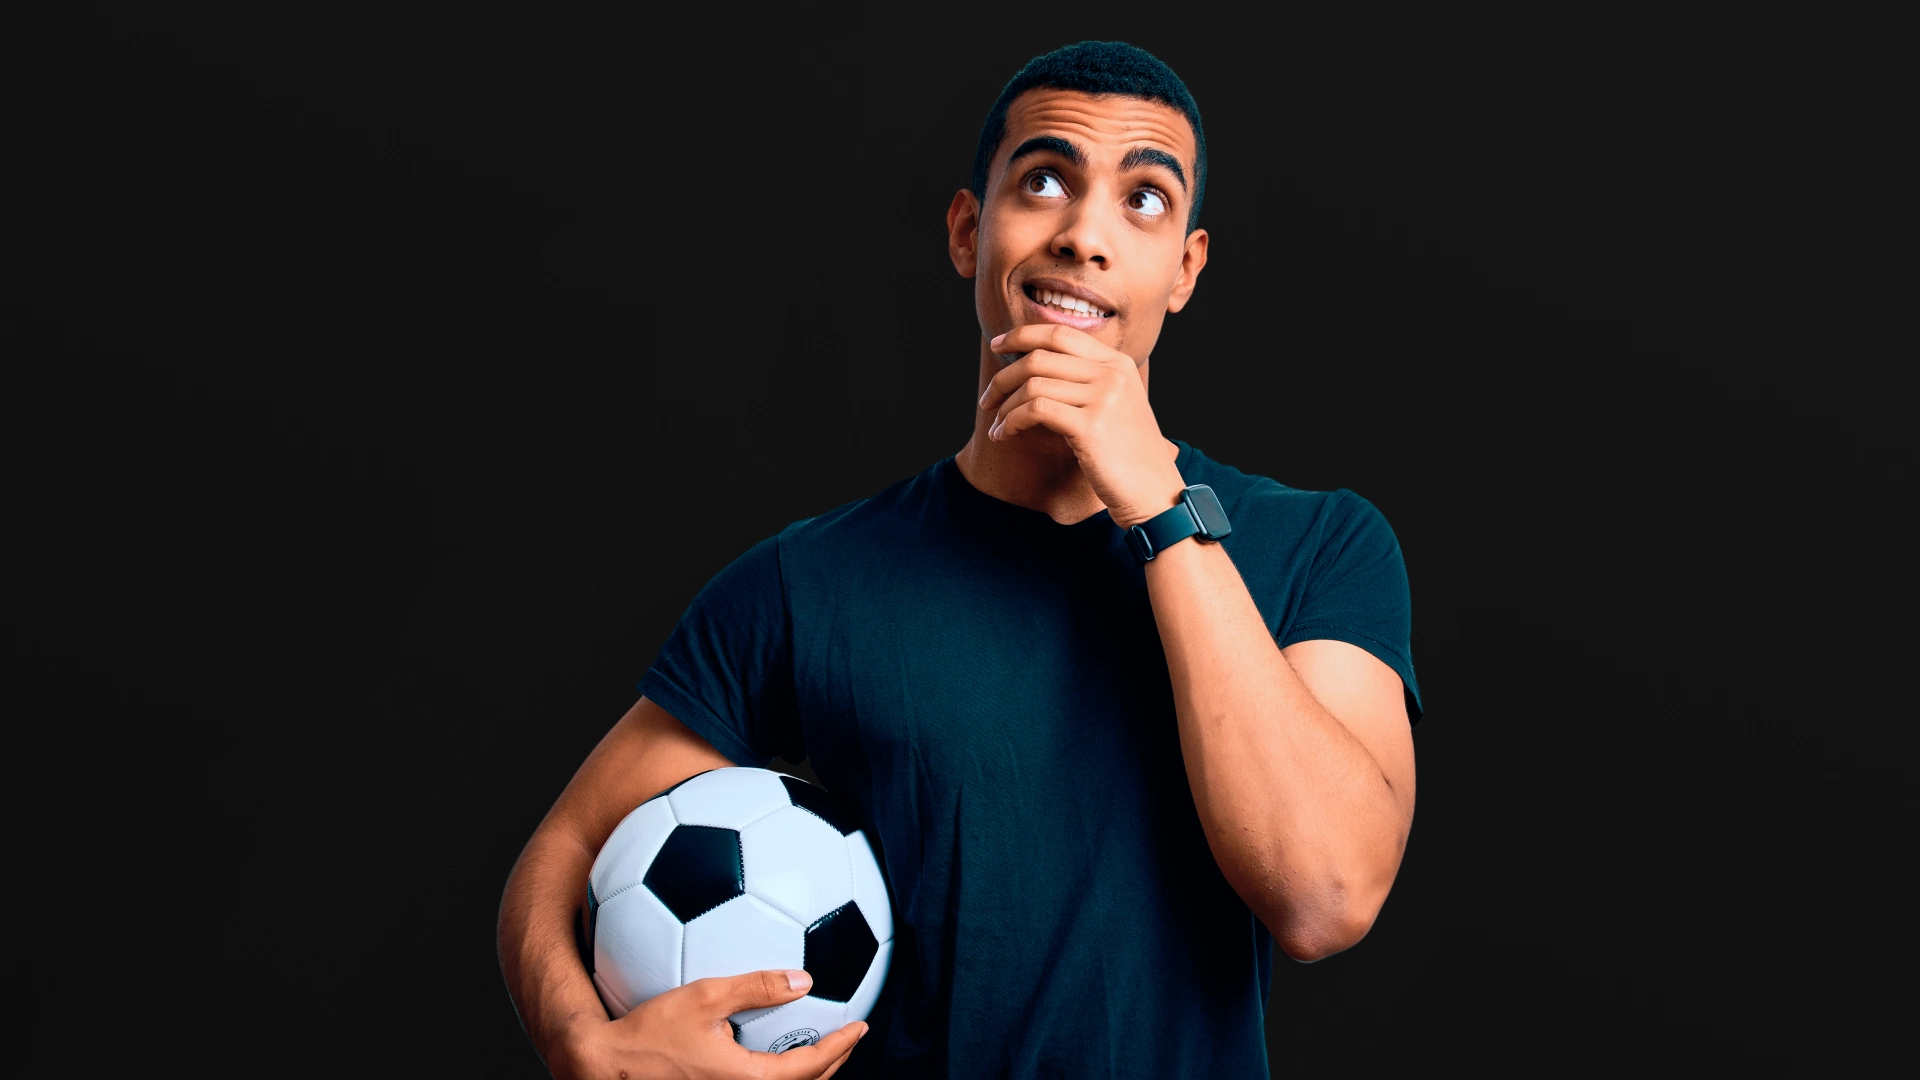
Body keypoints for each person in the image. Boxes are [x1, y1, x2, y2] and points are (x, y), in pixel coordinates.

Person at [498, 40, 1421, 1080]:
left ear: (1187, 271)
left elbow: (1325, 895)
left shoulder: (1321, 544)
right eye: (1043, 183)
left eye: (1144, 201)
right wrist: (583, 1043)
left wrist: (1158, 505)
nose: (1084, 237)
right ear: (969, 232)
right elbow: (562, 855)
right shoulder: (811, 583)